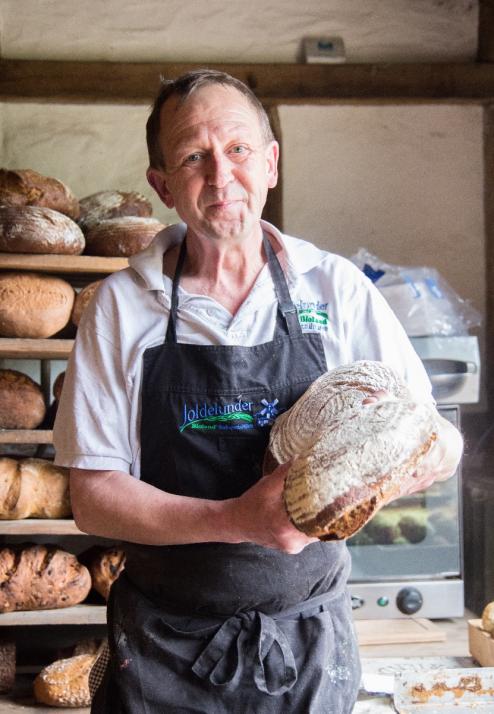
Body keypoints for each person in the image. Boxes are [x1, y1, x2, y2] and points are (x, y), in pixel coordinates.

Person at [53, 69, 463, 713]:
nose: (220, 176)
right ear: (162, 185)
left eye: (238, 149)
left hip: (308, 644)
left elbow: (440, 442)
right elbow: (94, 498)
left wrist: (367, 476)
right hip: (164, 646)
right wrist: (235, 520)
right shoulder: (121, 307)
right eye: (193, 156)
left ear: (270, 163)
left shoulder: (334, 289)